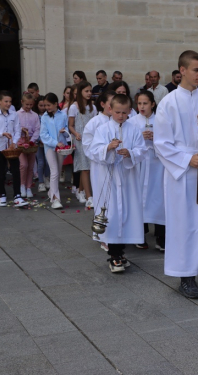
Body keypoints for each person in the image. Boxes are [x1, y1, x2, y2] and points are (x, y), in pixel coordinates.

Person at [154, 50, 198, 299]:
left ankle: (192, 269)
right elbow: (161, 143)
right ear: (182, 70)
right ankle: (186, 276)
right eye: (195, 70)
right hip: (181, 173)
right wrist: (187, 159)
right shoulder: (168, 103)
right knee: (184, 224)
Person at [87, 94, 147, 272]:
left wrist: (131, 153)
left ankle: (120, 253)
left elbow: (142, 150)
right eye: (117, 112)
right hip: (108, 179)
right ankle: (114, 255)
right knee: (111, 214)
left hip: (127, 178)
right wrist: (108, 148)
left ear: (129, 111)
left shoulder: (134, 129)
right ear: (110, 109)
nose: (120, 116)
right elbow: (93, 150)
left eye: (124, 112)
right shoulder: (103, 129)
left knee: (127, 213)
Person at [130, 91, 166, 251]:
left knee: (159, 199)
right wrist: (140, 137)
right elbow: (128, 142)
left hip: (157, 166)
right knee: (139, 198)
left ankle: (161, 236)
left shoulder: (161, 120)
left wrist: (155, 137)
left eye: (145, 103)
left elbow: (169, 140)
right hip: (140, 165)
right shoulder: (132, 122)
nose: (142, 107)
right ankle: (140, 234)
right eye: (139, 103)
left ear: (152, 104)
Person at [82, 90, 115, 251]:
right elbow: (88, 147)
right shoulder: (94, 123)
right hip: (101, 166)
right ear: (102, 104)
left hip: (118, 167)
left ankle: (115, 233)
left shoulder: (121, 121)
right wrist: (105, 150)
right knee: (102, 198)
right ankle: (102, 234)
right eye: (111, 103)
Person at [0, 91, 28, 208]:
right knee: (0, 171)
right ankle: (1, 194)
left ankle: (17, 195)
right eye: (6, 101)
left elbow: (17, 130)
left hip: (11, 148)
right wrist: (2, 134)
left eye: (10, 101)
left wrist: (14, 143)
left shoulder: (14, 114)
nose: (8, 104)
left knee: (16, 170)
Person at [68, 81, 96, 207]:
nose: (89, 93)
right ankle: (89, 196)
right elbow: (70, 125)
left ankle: (80, 190)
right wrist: (76, 133)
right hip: (80, 140)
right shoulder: (74, 107)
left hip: (91, 139)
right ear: (80, 93)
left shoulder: (93, 107)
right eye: (86, 91)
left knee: (88, 167)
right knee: (85, 168)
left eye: (90, 91)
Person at [40, 93, 69, 209]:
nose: (47, 107)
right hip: (50, 147)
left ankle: (52, 192)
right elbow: (43, 135)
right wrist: (55, 143)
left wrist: (64, 130)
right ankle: (55, 198)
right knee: (55, 171)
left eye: (49, 105)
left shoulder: (63, 115)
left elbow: (67, 128)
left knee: (58, 170)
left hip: (61, 148)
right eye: (45, 105)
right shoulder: (44, 117)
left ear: (56, 104)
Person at [17, 93, 41, 198]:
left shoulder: (35, 115)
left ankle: (28, 187)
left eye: (31, 105)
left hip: (31, 141)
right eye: (27, 104)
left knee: (31, 166)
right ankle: (22, 185)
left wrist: (33, 140)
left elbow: (37, 129)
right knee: (23, 165)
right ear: (22, 102)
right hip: (21, 142)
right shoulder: (17, 114)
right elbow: (14, 128)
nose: (29, 107)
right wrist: (20, 130)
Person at [36, 95, 50, 192]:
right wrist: (39, 139)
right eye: (41, 105)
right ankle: (41, 182)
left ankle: (47, 178)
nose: (43, 107)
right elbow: (35, 129)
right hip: (38, 142)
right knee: (40, 162)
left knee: (48, 162)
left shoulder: (49, 115)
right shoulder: (36, 116)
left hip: (47, 142)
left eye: (44, 105)